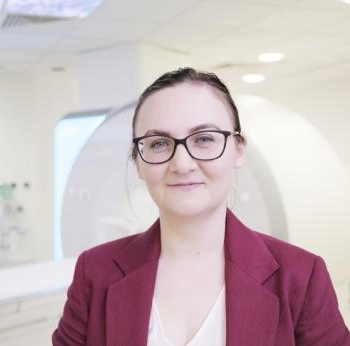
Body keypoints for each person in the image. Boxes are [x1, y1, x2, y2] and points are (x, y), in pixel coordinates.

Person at [52, 67, 350, 346]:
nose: (182, 164)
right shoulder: (95, 272)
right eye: (158, 143)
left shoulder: (299, 277)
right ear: (138, 163)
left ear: (238, 150)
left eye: (204, 139)